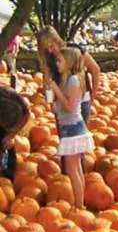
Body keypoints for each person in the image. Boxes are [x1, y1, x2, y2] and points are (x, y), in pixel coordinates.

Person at [50, 48, 94, 207]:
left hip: (73, 129)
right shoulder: (68, 80)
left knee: (73, 169)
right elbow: (64, 107)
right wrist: (54, 104)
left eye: (60, 60)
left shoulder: (74, 80)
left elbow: (71, 107)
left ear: (69, 62)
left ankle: (79, 205)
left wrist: (56, 91)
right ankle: (80, 204)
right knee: (76, 168)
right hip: (69, 127)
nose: (57, 64)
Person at [37, 26, 100, 124]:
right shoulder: (49, 58)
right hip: (61, 102)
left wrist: (92, 96)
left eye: (51, 46)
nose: (49, 50)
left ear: (57, 40)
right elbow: (47, 83)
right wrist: (50, 101)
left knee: (79, 134)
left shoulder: (75, 50)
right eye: (46, 48)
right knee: (65, 136)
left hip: (81, 101)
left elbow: (95, 69)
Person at [0, 86, 30, 180]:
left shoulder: (19, 101)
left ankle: (9, 174)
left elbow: (27, 115)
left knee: (7, 145)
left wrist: (12, 134)